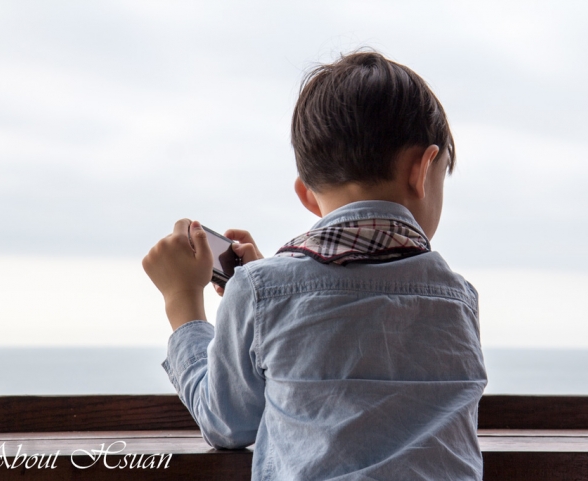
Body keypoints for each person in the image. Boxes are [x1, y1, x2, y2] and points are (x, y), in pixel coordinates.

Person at [142, 50, 487, 480]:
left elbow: (228, 423)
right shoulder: (458, 300)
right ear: (423, 169)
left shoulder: (261, 292)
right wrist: (273, 291)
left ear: (307, 196)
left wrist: (183, 304)